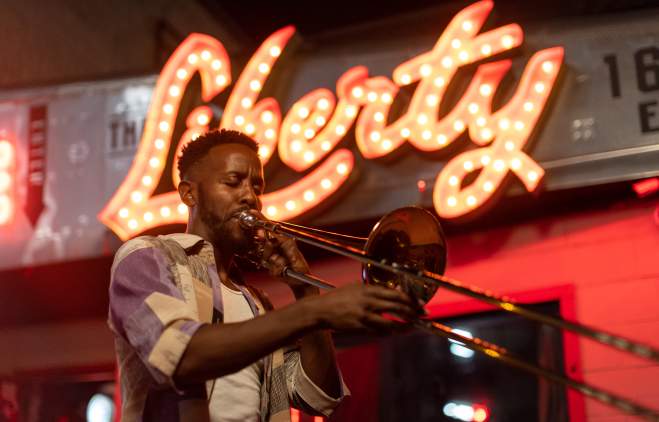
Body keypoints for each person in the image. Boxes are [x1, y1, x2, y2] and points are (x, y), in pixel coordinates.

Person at [108, 129, 420, 422]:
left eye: (257, 187)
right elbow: (182, 356)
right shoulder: (147, 257)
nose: (250, 198)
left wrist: (305, 291)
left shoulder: (257, 303)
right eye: (233, 182)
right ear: (190, 194)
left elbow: (318, 396)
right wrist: (314, 311)